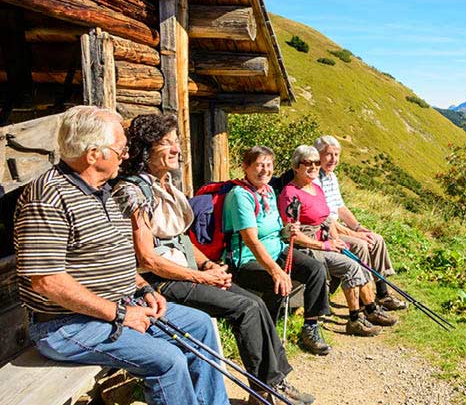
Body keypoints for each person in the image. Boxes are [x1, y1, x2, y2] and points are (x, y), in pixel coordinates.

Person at [15, 106, 227, 405]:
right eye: (120, 149)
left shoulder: (103, 191)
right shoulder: (48, 197)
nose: (126, 156)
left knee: (200, 325)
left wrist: (144, 288)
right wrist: (121, 314)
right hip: (67, 324)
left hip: (120, 307)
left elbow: (115, 260)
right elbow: (47, 281)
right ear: (93, 154)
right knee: (168, 360)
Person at [112, 115, 314, 405]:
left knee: (255, 304)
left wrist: (208, 264)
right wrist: (201, 276)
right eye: (166, 143)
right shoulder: (133, 191)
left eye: (176, 142)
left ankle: (272, 383)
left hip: (185, 272)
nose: (176, 149)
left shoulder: (166, 186)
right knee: (245, 307)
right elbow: (147, 258)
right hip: (158, 283)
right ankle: (265, 389)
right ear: (146, 148)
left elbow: (180, 239)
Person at [278, 145, 397, 337]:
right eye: (308, 163)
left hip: (324, 240)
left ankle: (368, 309)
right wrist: (326, 245)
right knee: (351, 266)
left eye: (317, 163)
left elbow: (326, 219)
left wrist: (335, 239)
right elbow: (291, 234)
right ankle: (356, 319)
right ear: (296, 167)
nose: (314, 167)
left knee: (357, 260)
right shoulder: (290, 194)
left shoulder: (316, 188)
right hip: (307, 247)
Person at [225, 146, 331, 356]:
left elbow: (275, 231)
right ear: (246, 167)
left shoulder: (269, 191)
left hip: (277, 250)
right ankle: (268, 337)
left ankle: (310, 327)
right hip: (246, 259)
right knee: (277, 283)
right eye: (259, 165)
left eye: (269, 165)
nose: (265, 170)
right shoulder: (241, 196)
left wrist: (287, 231)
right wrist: (276, 271)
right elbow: (251, 240)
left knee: (315, 269)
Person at [313, 136, 407, 310]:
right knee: (361, 244)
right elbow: (327, 219)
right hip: (326, 231)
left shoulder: (331, 177)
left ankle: (382, 293)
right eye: (328, 154)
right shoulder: (314, 179)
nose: (333, 159)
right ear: (317, 155)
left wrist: (358, 227)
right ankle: (365, 299)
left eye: (336, 154)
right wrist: (356, 234)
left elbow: (340, 207)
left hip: (338, 227)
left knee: (376, 239)